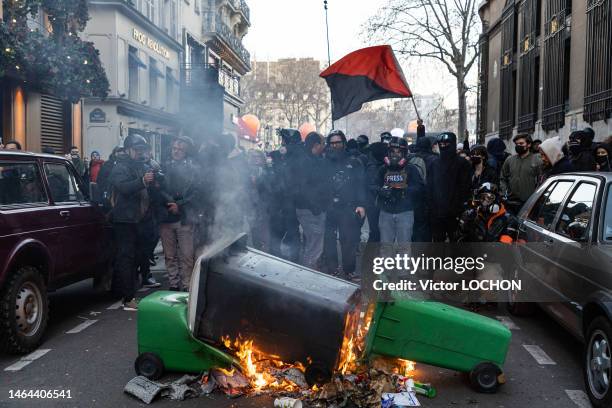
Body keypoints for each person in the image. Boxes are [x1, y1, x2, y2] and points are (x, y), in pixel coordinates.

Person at [109, 134, 157, 311]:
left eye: (143, 150)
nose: (140, 153)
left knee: (138, 256)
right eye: (137, 150)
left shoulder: (143, 166)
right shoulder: (120, 167)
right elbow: (124, 188)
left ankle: (125, 291)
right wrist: (143, 181)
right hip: (125, 220)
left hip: (141, 220)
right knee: (126, 258)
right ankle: (128, 297)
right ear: (128, 150)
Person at [322, 130, 366, 280]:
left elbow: (361, 184)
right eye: (332, 143)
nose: (335, 146)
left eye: (338, 142)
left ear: (344, 143)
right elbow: (319, 183)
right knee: (329, 240)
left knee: (348, 240)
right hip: (329, 207)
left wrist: (361, 204)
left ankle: (349, 270)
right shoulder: (325, 161)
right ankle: (332, 268)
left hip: (348, 207)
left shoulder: (354, 161)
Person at [159, 136, 200, 291]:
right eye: (174, 148)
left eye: (180, 149)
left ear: (186, 151)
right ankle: (174, 285)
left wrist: (180, 206)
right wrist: (169, 203)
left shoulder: (194, 169)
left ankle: (187, 286)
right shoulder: (163, 166)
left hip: (185, 217)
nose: (176, 151)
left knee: (187, 256)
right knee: (169, 255)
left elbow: (197, 193)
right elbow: (158, 190)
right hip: (166, 216)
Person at [373, 137, 424, 244]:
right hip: (386, 212)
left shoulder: (411, 169)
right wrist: (381, 191)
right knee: (386, 246)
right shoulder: (383, 169)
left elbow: (420, 188)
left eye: (398, 152)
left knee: (404, 247)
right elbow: (373, 185)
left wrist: (404, 191)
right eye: (392, 152)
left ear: (404, 153)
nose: (395, 155)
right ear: (388, 153)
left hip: (405, 212)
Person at [426, 132, 473, 242]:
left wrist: (460, 208)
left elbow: (465, 188)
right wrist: (431, 208)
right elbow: (429, 187)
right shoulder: (433, 163)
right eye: (441, 144)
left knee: (456, 243)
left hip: (455, 213)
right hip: (437, 213)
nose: (443, 146)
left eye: (446, 144)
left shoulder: (462, 164)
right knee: (438, 243)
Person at [294, 132, 331, 269]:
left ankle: (309, 270)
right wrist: (316, 207)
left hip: (309, 208)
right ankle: (308, 275)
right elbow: (304, 187)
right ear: (316, 145)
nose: (325, 146)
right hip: (310, 210)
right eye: (323, 143)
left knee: (312, 243)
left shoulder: (308, 159)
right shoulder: (307, 162)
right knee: (314, 245)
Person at [268, 129, 302, 262]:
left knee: (290, 232)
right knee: (279, 232)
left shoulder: (297, 156)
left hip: (289, 203)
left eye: (284, 140)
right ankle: (277, 258)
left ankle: (291, 260)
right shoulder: (278, 155)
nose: (282, 143)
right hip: (279, 202)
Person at [500, 134, 541, 213]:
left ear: (529, 144)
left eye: (521, 144)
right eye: (516, 144)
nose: (518, 146)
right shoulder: (509, 160)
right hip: (511, 203)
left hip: (529, 204)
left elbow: (541, 180)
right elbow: (503, 178)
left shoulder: (537, 160)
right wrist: (504, 192)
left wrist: (535, 197)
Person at [365, 141, 388, 243]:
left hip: (376, 203)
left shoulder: (377, 165)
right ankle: (370, 256)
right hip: (374, 203)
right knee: (376, 232)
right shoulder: (373, 167)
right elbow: (370, 185)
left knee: (377, 232)